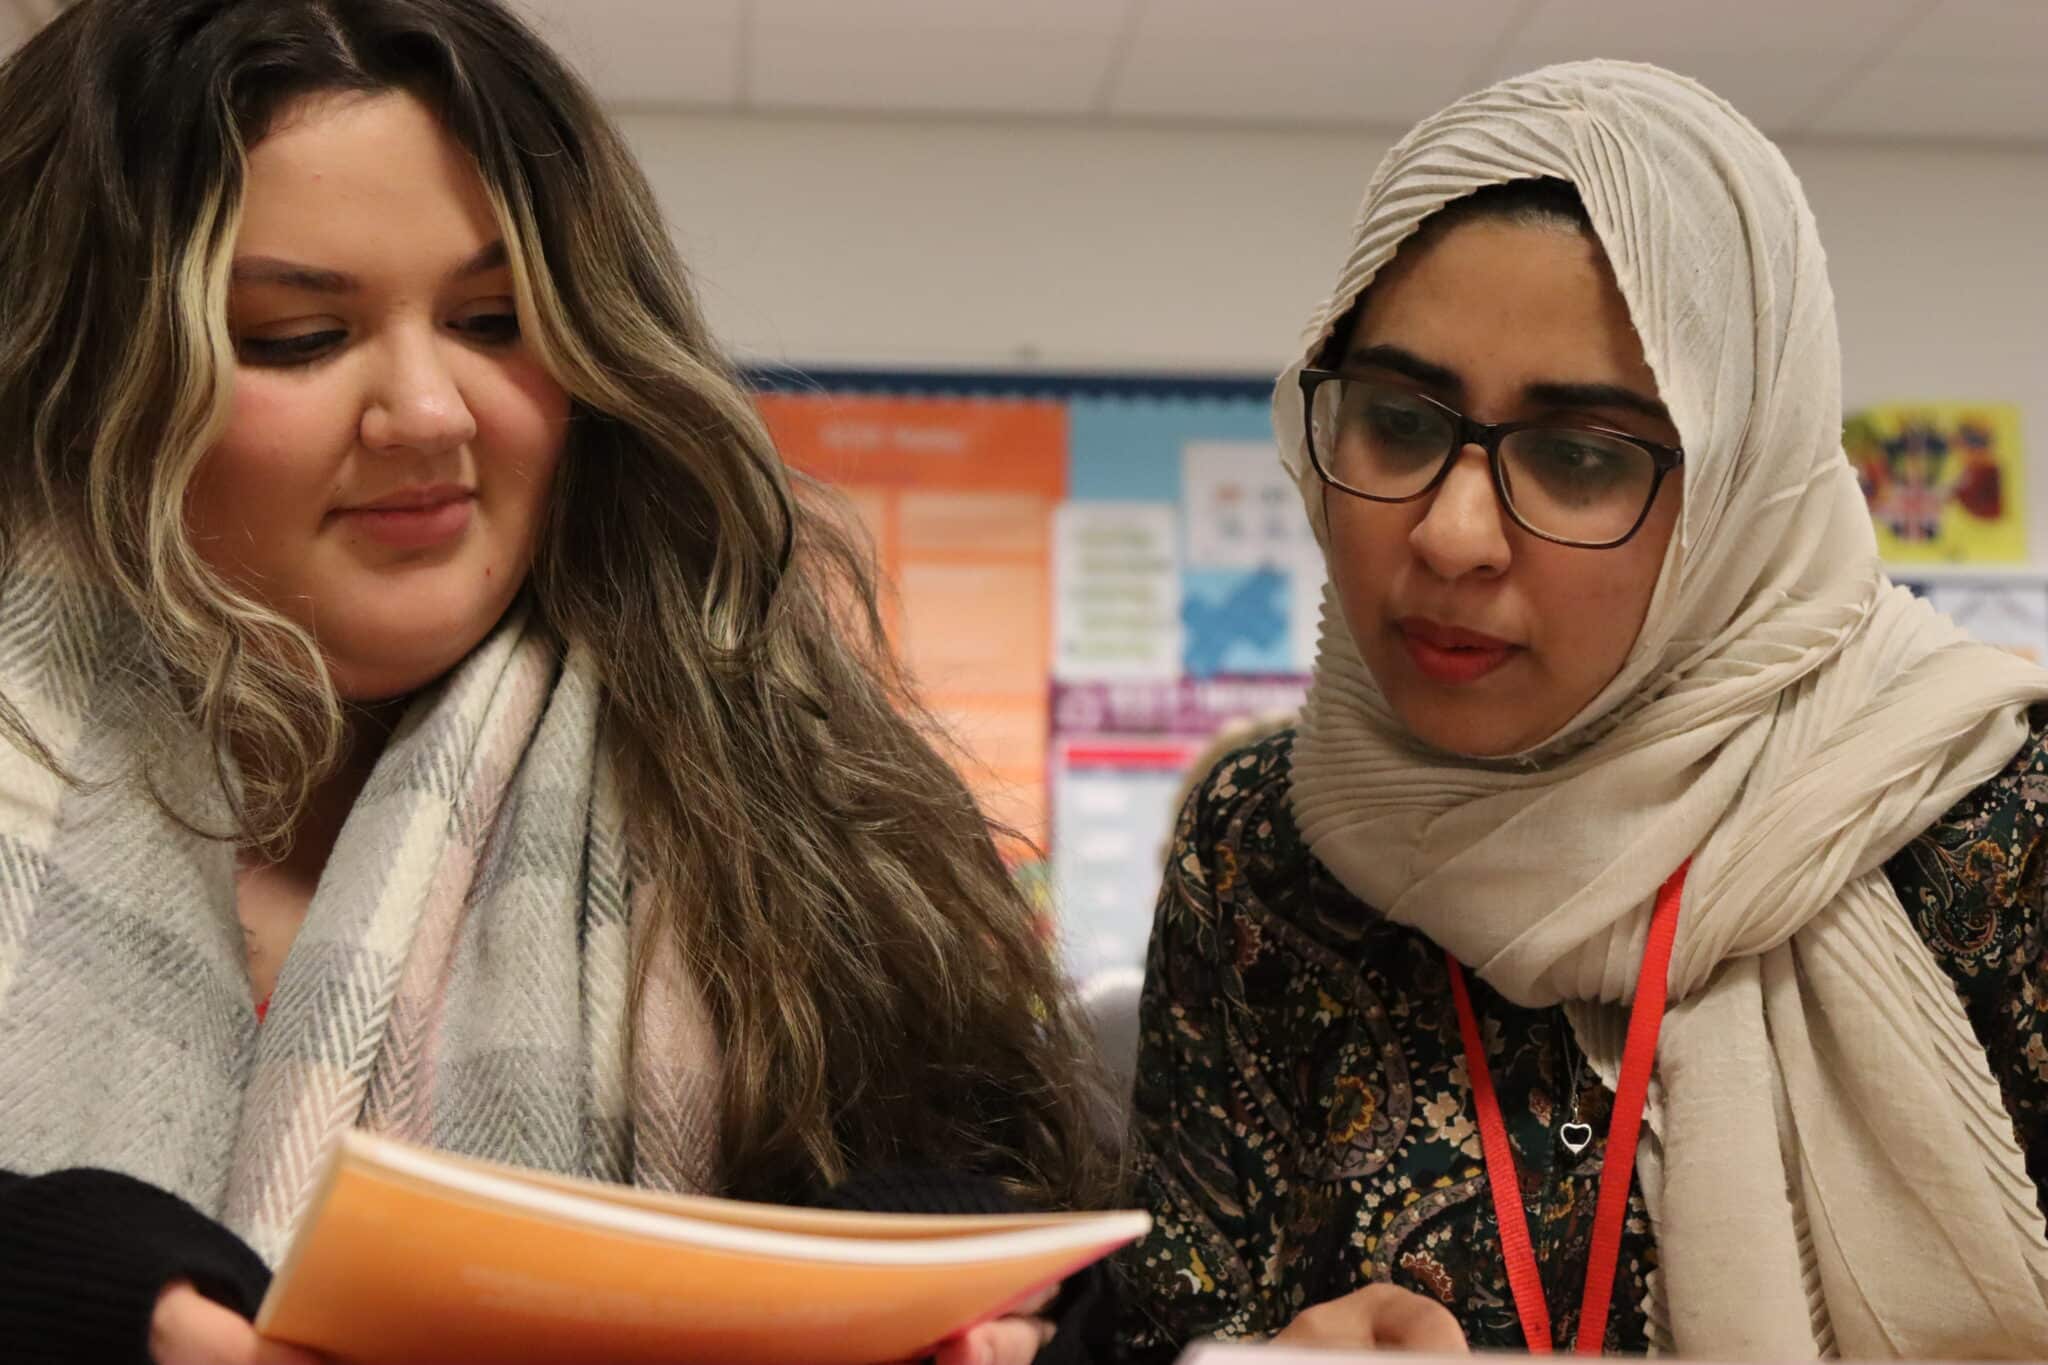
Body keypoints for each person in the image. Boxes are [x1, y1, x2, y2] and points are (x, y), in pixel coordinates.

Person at [0, 3, 1113, 1362]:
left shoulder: (769, 775)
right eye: (297, 333)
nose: (429, 410)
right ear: (87, 379)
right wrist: (83, 1294)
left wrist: (915, 1278)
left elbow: (996, 1187)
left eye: (493, 319)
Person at [1115, 60, 2048, 1360]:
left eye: (1582, 455)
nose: (1449, 535)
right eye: (1395, 420)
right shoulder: (1266, 844)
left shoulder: (1990, 827)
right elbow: (1163, 1311)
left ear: (1740, 489)